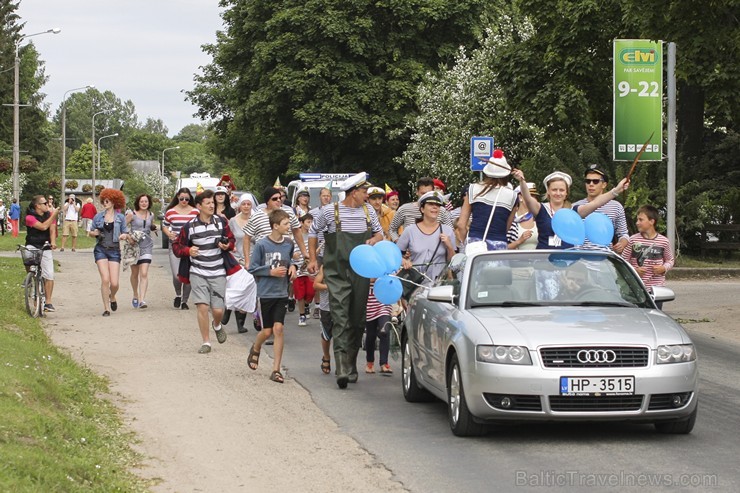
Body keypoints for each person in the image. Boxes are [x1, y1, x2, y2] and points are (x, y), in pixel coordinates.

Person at [307, 172, 383, 389]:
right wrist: (312, 258)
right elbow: (313, 232)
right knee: (340, 316)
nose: (367, 196)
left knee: (358, 319)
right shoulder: (330, 211)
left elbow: (380, 235)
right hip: (337, 271)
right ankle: (341, 367)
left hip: (361, 272)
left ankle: (351, 363)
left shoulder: (368, 212)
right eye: (364, 192)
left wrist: (373, 240)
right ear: (353, 193)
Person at [172, 189, 238, 354]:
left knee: (217, 310)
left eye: (213, 203)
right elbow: (177, 246)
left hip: (218, 272)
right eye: (208, 203)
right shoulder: (190, 227)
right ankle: (206, 342)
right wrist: (188, 251)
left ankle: (217, 324)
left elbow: (231, 240)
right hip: (197, 272)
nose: (211, 205)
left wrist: (226, 245)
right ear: (199, 206)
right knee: (202, 307)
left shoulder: (221, 223)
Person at [512, 169, 629, 249]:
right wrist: (522, 181)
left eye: (561, 190)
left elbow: (595, 203)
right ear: (548, 191)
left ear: (566, 192)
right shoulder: (540, 208)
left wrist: (616, 191)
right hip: (544, 262)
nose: (558, 193)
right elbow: (527, 198)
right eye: (554, 190)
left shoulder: (573, 210)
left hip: (568, 265)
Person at [247, 209, 297, 383]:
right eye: (285, 224)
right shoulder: (262, 245)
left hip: (282, 292)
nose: (289, 226)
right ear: (275, 226)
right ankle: (256, 346)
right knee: (267, 331)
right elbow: (252, 268)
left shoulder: (289, 243)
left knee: (278, 329)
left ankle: (276, 369)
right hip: (266, 292)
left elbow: (291, 261)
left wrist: (293, 268)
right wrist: (270, 271)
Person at [456, 150, 517, 251]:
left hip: (475, 244)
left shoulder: (472, 189)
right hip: (499, 245)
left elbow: (461, 224)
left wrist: (465, 243)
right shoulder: (513, 196)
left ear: (487, 172)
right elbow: (506, 228)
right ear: (506, 174)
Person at [397, 191, 457, 286]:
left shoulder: (447, 230)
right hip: (416, 284)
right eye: (431, 204)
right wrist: (404, 261)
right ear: (422, 209)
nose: (435, 207)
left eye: (437, 205)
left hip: (440, 285)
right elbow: (396, 255)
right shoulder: (410, 230)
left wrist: (449, 246)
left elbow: (453, 263)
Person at [622, 205, 674, 308]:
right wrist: (634, 271)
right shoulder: (633, 240)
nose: (637, 223)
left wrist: (663, 268)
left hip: (656, 291)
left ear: (652, 221)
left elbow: (670, 260)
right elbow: (623, 262)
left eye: (641, 220)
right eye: (637, 220)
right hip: (636, 290)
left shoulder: (663, 241)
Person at [89, 189, 131, 317]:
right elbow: (90, 232)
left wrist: (124, 235)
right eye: (104, 201)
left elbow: (126, 232)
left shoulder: (120, 218)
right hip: (101, 249)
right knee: (105, 279)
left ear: (114, 202)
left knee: (115, 283)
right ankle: (106, 308)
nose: (105, 203)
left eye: (108, 200)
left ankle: (112, 296)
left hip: (114, 250)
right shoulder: (98, 217)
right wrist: (94, 233)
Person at [572, 164, 630, 253]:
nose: (591, 184)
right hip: (580, 258)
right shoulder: (576, 206)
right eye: (588, 181)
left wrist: (622, 243)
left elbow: (624, 234)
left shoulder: (616, 206)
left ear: (604, 184)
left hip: (604, 258)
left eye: (595, 181)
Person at [162, 188, 199, 310]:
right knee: (177, 275)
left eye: (187, 199)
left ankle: (184, 300)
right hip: (175, 245)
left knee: (188, 274)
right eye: (182, 198)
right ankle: (178, 294)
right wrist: (169, 234)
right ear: (177, 197)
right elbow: (165, 226)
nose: (184, 201)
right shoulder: (171, 212)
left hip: (190, 246)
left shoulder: (195, 212)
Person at [222, 193, 254, 333]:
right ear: (239, 206)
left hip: (252, 259)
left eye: (248, 204)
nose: (246, 207)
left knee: (246, 289)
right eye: (243, 204)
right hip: (235, 258)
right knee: (235, 287)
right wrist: (230, 245)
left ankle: (238, 320)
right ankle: (229, 309)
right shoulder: (233, 221)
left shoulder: (256, 220)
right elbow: (228, 238)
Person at [24, 195, 59, 312]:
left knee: (49, 274)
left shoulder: (49, 215)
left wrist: (53, 242)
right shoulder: (29, 217)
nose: (47, 205)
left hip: (45, 245)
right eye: (44, 203)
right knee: (27, 257)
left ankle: (48, 302)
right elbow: (44, 227)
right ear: (37, 206)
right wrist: (54, 214)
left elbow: (52, 229)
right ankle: (30, 278)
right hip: (32, 244)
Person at [389, 177, 452, 241]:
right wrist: (400, 245)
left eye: (428, 194)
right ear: (417, 192)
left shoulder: (440, 210)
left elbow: (451, 232)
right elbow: (392, 229)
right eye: (423, 193)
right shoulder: (404, 209)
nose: (425, 197)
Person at [126, 194, 157, 309]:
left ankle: (142, 299)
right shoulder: (131, 215)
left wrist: (153, 227)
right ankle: (135, 294)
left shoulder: (151, 214)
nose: (144, 203)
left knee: (144, 273)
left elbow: (149, 226)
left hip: (147, 245)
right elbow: (122, 228)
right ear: (138, 203)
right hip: (133, 246)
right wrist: (129, 237)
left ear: (149, 203)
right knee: (135, 273)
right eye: (142, 201)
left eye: (146, 201)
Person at [364, 281, 392, 374]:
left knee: (385, 331)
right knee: (371, 336)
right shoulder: (366, 267)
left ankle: (384, 363)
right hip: (369, 303)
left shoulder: (387, 266)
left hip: (384, 303)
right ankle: (370, 362)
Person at [292, 213, 315, 325]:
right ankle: (302, 316)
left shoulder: (313, 236)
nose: (310, 224)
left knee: (310, 292)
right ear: (301, 223)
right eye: (308, 222)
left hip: (310, 268)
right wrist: (293, 255)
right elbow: (288, 249)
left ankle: (307, 304)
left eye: (312, 222)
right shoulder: (294, 236)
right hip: (298, 268)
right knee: (300, 294)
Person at [507, 183, 539, 250]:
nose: (533, 199)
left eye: (535, 197)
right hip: (516, 259)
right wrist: (519, 241)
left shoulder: (538, 217)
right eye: (530, 196)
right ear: (520, 197)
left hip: (538, 259)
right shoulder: (511, 219)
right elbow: (503, 248)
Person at [313, 266, 333, 374]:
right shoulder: (325, 267)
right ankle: (326, 356)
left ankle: (341, 363)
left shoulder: (347, 265)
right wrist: (328, 286)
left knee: (342, 336)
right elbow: (315, 284)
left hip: (342, 308)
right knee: (326, 336)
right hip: (326, 308)